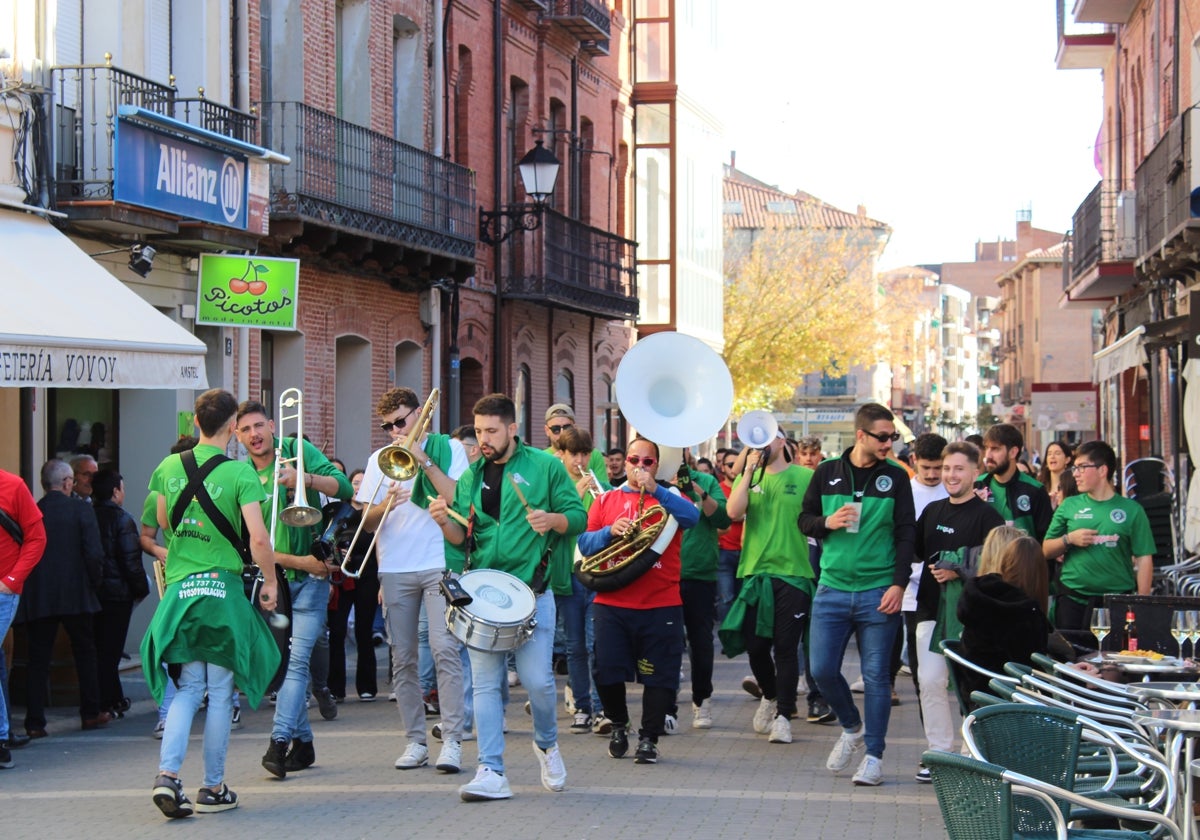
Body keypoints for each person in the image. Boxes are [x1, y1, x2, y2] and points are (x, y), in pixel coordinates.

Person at [429, 393, 586, 801]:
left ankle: (547, 744)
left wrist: (553, 519)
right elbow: (463, 536)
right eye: (479, 431)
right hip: (485, 595)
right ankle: (491, 770)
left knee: (537, 681)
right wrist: (445, 522)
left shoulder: (546, 466)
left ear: (512, 429)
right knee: (484, 684)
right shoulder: (470, 476)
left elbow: (579, 517)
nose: (483, 438)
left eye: (492, 431)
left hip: (533, 592)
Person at [141, 388, 281, 819]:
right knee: (220, 693)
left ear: (196, 424)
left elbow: (162, 521)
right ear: (231, 428)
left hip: (182, 593)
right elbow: (258, 538)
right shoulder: (240, 474)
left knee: (187, 689)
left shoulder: (168, 466)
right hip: (221, 593)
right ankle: (213, 787)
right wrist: (271, 581)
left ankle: (167, 776)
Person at [235, 400, 353, 779]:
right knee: (284, 666)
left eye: (258, 426)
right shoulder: (240, 476)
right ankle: (303, 744)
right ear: (237, 437)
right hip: (275, 582)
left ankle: (279, 741)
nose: (254, 435)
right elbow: (250, 543)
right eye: (245, 430)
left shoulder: (298, 452)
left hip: (313, 583)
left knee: (297, 662)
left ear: (272, 425)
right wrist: (297, 561)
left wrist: (306, 480)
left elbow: (345, 488)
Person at [799, 402, 915, 787]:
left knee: (877, 677)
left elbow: (905, 535)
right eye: (882, 437)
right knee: (821, 670)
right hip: (831, 588)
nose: (889, 443)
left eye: (892, 437)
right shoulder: (827, 472)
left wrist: (898, 583)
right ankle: (852, 727)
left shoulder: (895, 477)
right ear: (861, 435)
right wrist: (826, 523)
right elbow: (804, 519)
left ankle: (875, 757)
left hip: (878, 589)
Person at [359, 387, 469, 775]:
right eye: (387, 426)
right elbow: (365, 522)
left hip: (440, 562)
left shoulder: (449, 448)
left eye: (400, 422)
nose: (394, 431)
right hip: (395, 566)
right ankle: (415, 741)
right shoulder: (379, 460)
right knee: (403, 659)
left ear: (420, 414)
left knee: (444, 651)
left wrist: (423, 462)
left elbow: (457, 497)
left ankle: (453, 740)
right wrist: (385, 504)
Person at [577, 437, 700, 763]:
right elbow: (585, 543)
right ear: (625, 462)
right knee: (606, 672)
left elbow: (692, 518)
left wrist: (657, 491)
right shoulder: (606, 500)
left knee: (660, 677)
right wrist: (610, 532)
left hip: (661, 602)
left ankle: (649, 739)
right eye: (634, 460)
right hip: (612, 602)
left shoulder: (669, 497)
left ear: (656, 466)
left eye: (648, 462)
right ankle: (619, 724)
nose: (639, 467)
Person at [910, 441, 1004, 783]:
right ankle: (940, 753)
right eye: (947, 468)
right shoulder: (933, 512)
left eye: (958, 468)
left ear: (975, 473)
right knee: (930, 681)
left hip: (972, 614)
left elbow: (998, 565)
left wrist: (959, 570)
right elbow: (915, 552)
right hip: (930, 609)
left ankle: (970, 755)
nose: (950, 475)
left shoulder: (988, 516)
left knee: (968, 686)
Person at [721, 430, 813, 746]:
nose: (764, 444)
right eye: (757, 439)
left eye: (771, 437)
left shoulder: (805, 477)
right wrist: (747, 469)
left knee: (786, 648)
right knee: (757, 647)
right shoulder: (750, 477)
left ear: (784, 443)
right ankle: (771, 696)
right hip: (754, 574)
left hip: (794, 574)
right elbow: (733, 513)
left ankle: (785, 717)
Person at [17, 459, 108, 737]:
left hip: (41, 594)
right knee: (85, 652)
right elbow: (93, 553)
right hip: (76, 593)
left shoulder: (33, 511)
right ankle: (90, 712)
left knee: (38, 658)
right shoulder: (81, 510)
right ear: (68, 482)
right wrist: (96, 584)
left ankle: (34, 722)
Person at [1042, 440, 1155, 632]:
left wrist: (1141, 603)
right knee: (1071, 660)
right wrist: (1069, 539)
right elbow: (1045, 550)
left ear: (1103, 470)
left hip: (1116, 602)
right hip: (1073, 600)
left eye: (1082, 467)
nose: (1075, 474)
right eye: (1075, 468)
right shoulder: (1069, 505)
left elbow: (1144, 558)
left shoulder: (1132, 510)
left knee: (1113, 660)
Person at [140, 435, 199, 738]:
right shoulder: (159, 491)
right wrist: (159, 551)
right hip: (175, 576)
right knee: (163, 645)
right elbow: (147, 535)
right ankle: (167, 713)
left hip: (205, 576)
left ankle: (223, 703)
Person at [550, 427, 608, 734]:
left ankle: (599, 708)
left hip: (597, 573)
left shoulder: (602, 486)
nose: (581, 460)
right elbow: (551, 521)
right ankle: (582, 706)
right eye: (575, 454)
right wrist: (577, 494)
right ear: (562, 454)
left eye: (586, 453)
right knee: (574, 646)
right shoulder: (556, 484)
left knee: (593, 643)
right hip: (569, 574)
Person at [957, 534, 1053, 702]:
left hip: (976, 696)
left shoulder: (980, 597)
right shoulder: (1024, 613)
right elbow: (1032, 670)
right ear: (1039, 573)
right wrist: (1072, 674)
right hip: (1008, 704)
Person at [674, 449, 729, 730]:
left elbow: (723, 520)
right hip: (662, 575)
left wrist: (699, 493)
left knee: (701, 641)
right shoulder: (651, 483)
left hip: (699, 573)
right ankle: (667, 703)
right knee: (666, 642)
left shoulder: (706, 481)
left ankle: (702, 699)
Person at [91, 469, 150, 719]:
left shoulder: (88, 514)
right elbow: (130, 560)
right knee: (111, 649)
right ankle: (109, 699)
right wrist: (140, 589)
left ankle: (107, 698)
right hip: (117, 594)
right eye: (122, 488)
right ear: (115, 492)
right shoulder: (122, 519)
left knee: (98, 648)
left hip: (94, 593)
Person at [0, 467, 47, 768]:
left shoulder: (12, 486)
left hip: (3, 590)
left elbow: (36, 538)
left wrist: (12, 581)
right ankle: (2, 737)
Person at [325, 469, 380, 705]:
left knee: (364, 631)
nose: (358, 487)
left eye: (362, 483)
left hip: (368, 575)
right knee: (337, 631)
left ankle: (367, 686)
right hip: (342, 576)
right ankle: (335, 687)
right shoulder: (339, 512)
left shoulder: (373, 513)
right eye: (355, 483)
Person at [975, 423, 1052, 543]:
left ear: (1013, 452)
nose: (988, 455)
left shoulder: (1035, 490)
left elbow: (1046, 539)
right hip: (985, 560)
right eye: (986, 448)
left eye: (995, 449)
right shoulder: (977, 485)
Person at [715, 449, 745, 625]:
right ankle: (727, 635)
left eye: (737, 464)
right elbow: (726, 515)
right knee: (726, 598)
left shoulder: (749, 486)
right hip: (724, 551)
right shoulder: (718, 490)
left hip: (746, 551)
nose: (734, 468)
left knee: (744, 598)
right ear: (722, 467)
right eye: (730, 465)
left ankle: (742, 636)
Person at [543, 403, 608, 478]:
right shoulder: (540, 459)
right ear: (547, 430)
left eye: (567, 427)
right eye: (556, 429)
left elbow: (605, 488)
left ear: (574, 427)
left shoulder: (595, 455)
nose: (562, 433)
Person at [1036, 440, 1078, 510]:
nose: (1052, 456)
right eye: (1049, 454)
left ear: (1067, 459)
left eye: (1057, 453)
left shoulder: (1074, 483)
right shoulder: (1039, 484)